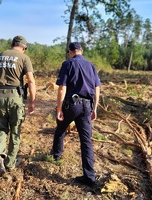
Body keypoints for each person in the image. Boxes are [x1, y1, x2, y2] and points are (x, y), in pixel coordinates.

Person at [50, 42, 101, 186]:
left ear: (70, 52)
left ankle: (56, 155)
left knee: (60, 128)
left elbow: (62, 88)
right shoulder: (91, 66)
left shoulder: (67, 64)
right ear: (81, 51)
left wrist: (59, 109)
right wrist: (95, 108)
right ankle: (90, 177)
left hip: (72, 105)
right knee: (86, 141)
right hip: (87, 106)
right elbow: (97, 89)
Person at [0, 35, 36, 174]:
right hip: (15, 97)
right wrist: (32, 101)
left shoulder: (0, 56)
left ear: (12, 44)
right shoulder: (24, 58)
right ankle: (10, 163)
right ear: (24, 47)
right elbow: (30, 81)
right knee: (15, 130)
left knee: (1, 128)